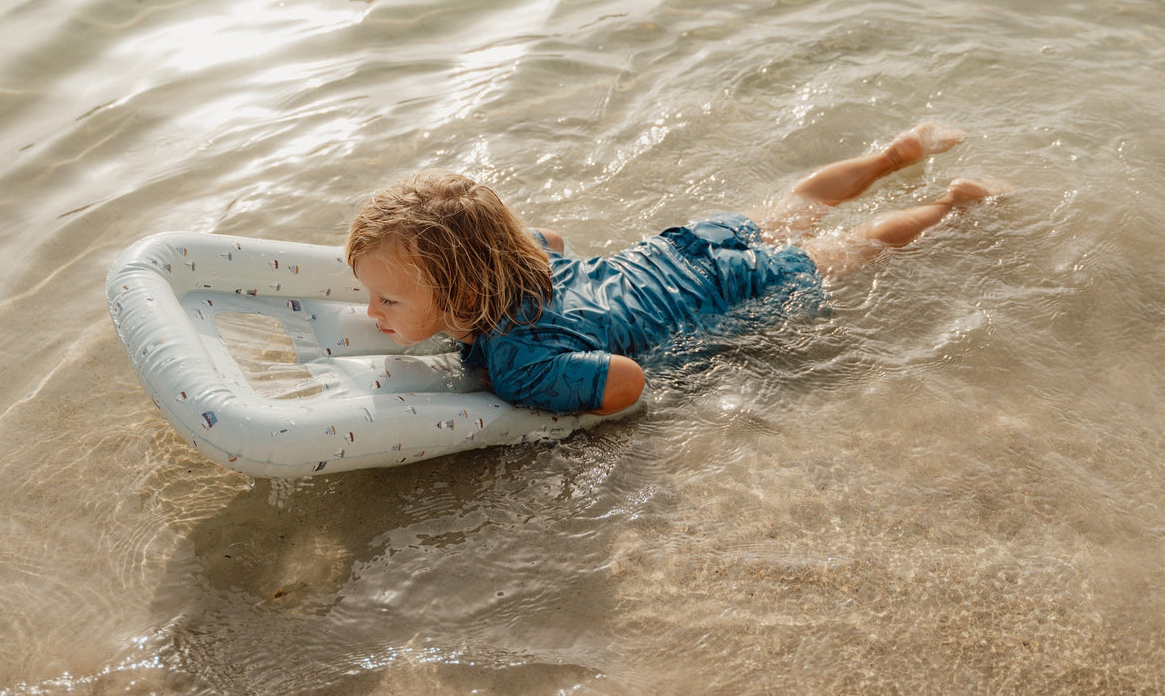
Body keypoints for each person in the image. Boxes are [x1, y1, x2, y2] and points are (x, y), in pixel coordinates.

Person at [345, 123, 994, 416]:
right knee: (799, 204)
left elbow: (625, 382)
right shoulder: (531, 261)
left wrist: (541, 393)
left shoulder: (520, 364)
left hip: (724, 290)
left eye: (389, 301)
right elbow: (548, 235)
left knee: (854, 246)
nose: (374, 313)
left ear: (466, 292)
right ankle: (891, 154)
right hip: (674, 251)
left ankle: (950, 205)